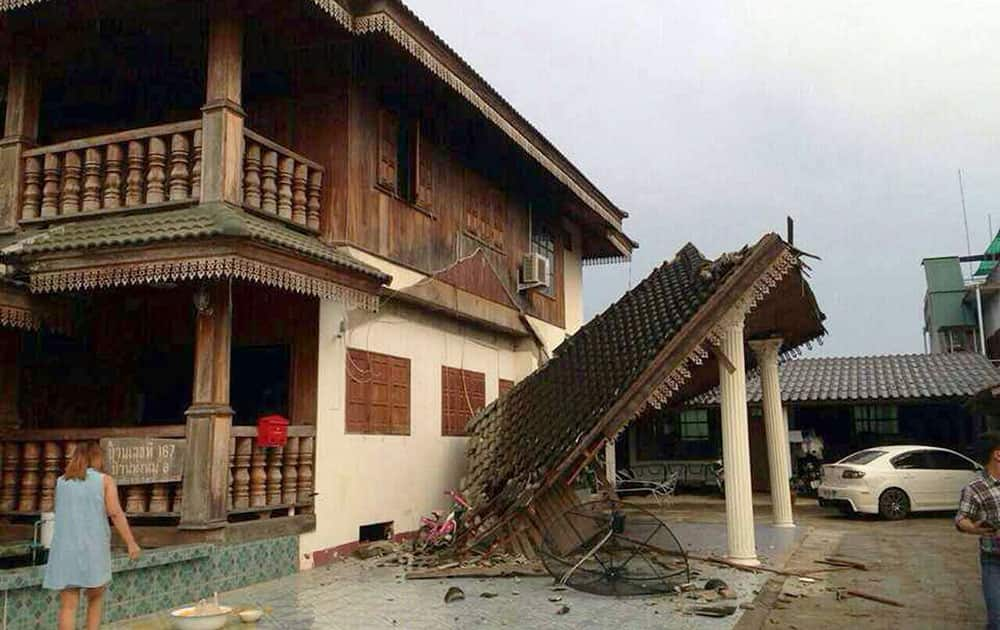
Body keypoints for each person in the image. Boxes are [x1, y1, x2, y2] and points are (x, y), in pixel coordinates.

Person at [42, 441, 142, 630]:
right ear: (96, 457)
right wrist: (131, 542)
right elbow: (115, 513)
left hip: (65, 549)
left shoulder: (61, 482)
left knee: (68, 606)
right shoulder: (104, 480)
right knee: (95, 599)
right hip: (93, 547)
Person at [956, 432, 1000, 630]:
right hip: (994, 559)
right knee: (996, 618)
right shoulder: (975, 488)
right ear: (998, 455)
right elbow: (961, 519)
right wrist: (975, 528)